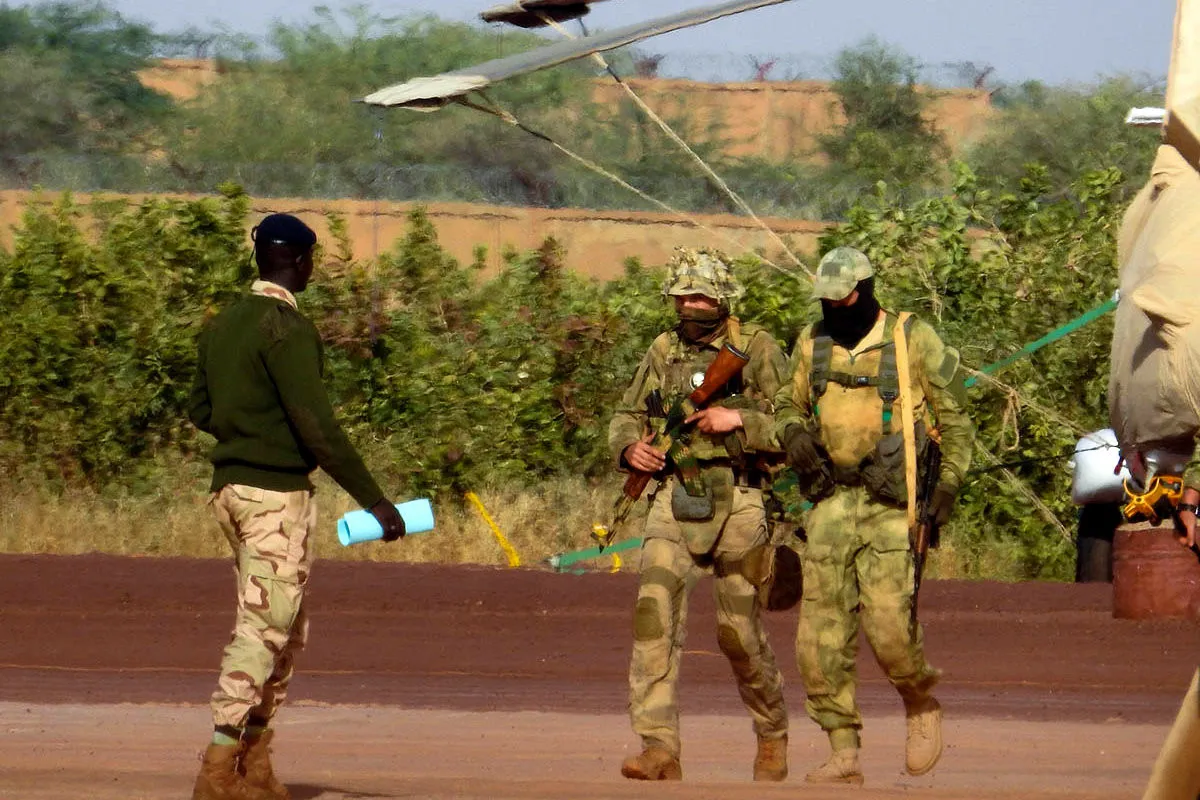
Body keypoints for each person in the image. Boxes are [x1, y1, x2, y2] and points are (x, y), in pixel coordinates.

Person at [187, 213, 407, 800]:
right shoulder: (286, 329)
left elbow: (200, 408)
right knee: (263, 629)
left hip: (231, 492)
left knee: (287, 626)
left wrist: (246, 428)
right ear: (301, 261)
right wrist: (375, 501)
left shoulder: (222, 324)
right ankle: (217, 768)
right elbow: (317, 427)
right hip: (274, 499)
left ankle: (254, 763)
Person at [773, 247, 974, 785]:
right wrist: (792, 432)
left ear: (865, 289)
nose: (835, 308)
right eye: (827, 300)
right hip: (830, 502)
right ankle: (842, 749)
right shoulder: (812, 342)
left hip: (893, 506)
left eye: (843, 298)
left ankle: (919, 700)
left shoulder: (913, 338)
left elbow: (957, 421)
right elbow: (786, 403)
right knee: (819, 638)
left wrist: (947, 488)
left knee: (889, 627)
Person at [609, 247, 789, 782]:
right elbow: (627, 412)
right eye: (683, 295)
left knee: (738, 634)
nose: (691, 304)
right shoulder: (663, 349)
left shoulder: (756, 347)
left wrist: (739, 420)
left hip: (741, 500)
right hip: (675, 495)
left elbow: (796, 423)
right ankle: (658, 747)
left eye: (702, 295)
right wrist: (629, 449)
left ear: (723, 297)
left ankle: (772, 732)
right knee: (653, 617)